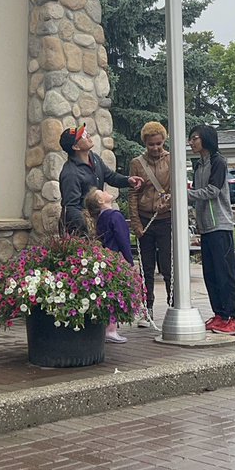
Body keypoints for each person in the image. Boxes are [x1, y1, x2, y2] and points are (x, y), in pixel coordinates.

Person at [188, 123, 235, 337]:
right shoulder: (198, 166)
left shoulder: (218, 162)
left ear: (206, 139)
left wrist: (185, 194)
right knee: (210, 274)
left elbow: (212, 190)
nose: (191, 142)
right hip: (205, 227)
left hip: (220, 226)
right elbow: (197, 191)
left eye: (195, 138)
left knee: (226, 273)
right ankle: (221, 315)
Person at [58, 123, 143, 236]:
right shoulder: (70, 174)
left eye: (84, 132)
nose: (87, 135)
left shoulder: (94, 158)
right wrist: (87, 231)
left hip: (97, 222)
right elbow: (71, 208)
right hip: (80, 231)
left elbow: (110, 176)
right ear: (76, 147)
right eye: (82, 136)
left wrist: (128, 180)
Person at [128, 120, 172, 320]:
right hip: (146, 219)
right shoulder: (137, 163)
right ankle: (148, 308)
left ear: (164, 141)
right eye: (150, 144)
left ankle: (173, 304)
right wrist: (136, 224)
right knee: (146, 267)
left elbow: (176, 189)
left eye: (158, 144)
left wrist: (168, 203)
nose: (155, 148)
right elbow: (133, 195)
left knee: (168, 265)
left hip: (165, 219)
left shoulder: (171, 160)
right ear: (145, 144)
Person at [84, 187, 133, 343]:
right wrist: (129, 261)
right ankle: (111, 330)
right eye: (102, 192)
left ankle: (107, 328)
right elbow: (123, 240)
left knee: (109, 292)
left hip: (107, 259)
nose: (106, 192)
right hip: (117, 258)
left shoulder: (101, 218)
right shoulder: (115, 216)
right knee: (116, 293)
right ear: (101, 201)